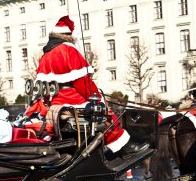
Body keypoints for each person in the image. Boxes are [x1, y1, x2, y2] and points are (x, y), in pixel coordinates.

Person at [36, 15, 148, 158]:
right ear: (68, 34)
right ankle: (123, 146)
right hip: (73, 101)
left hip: (56, 103)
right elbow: (83, 83)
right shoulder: (68, 51)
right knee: (106, 114)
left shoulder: (46, 55)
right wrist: (98, 98)